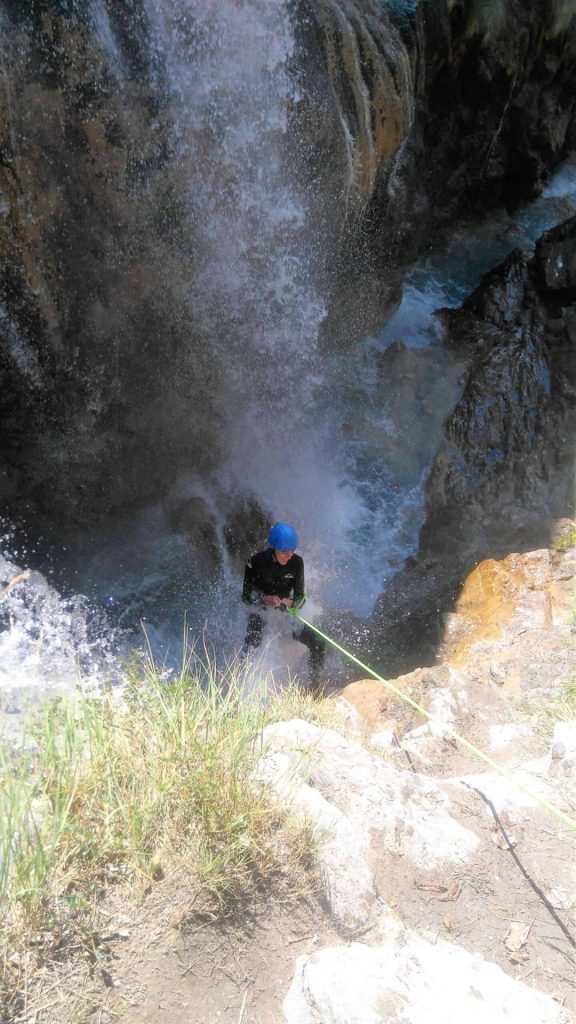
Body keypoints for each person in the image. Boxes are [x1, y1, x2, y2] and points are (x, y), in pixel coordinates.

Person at [241, 522, 325, 693]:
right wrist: (264, 600)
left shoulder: (296, 562)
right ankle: (240, 688)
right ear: (275, 549)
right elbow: (246, 596)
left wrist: (291, 603)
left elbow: (301, 596)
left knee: (318, 643)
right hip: (261, 610)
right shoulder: (255, 562)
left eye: (292, 551)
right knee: (251, 645)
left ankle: (314, 688)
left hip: (285, 611)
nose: (289, 555)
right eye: (285, 552)